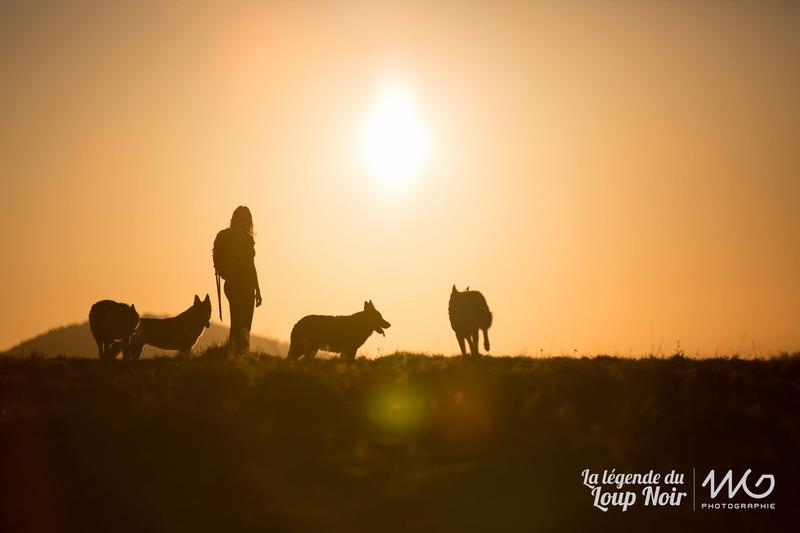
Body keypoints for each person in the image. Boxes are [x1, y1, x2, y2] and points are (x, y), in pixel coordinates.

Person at [213, 206, 262, 353]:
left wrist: (258, 290)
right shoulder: (227, 237)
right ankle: (234, 355)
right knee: (238, 323)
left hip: (248, 286)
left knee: (246, 325)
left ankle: (241, 356)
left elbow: (251, 266)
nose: (244, 221)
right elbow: (229, 265)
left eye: (246, 218)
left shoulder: (248, 240)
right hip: (233, 285)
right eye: (242, 218)